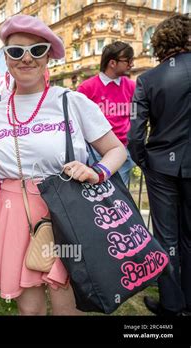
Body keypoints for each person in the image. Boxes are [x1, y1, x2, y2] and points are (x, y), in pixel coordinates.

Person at [0, 15, 127, 315]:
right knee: (29, 311)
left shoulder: (71, 101)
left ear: (48, 56)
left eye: (37, 50)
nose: (26, 58)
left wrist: (97, 172)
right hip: (13, 213)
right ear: (6, 58)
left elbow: (116, 150)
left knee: (65, 305)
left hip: (66, 211)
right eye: (16, 51)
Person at [128, 13, 191, 316]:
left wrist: (145, 162)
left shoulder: (147, 79)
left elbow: (135, 134)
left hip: (161, 168)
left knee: (166, 237)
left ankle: (172, 304)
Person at [77, 41, 136, 186]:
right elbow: (76, 121)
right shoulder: (87, 88)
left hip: (123, 150)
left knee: (122, 196)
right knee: (98, 194)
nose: (131, 65)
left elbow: (136, 116)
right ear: (112, 63)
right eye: (128, 61)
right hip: (95, 151)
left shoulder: (131, 86)